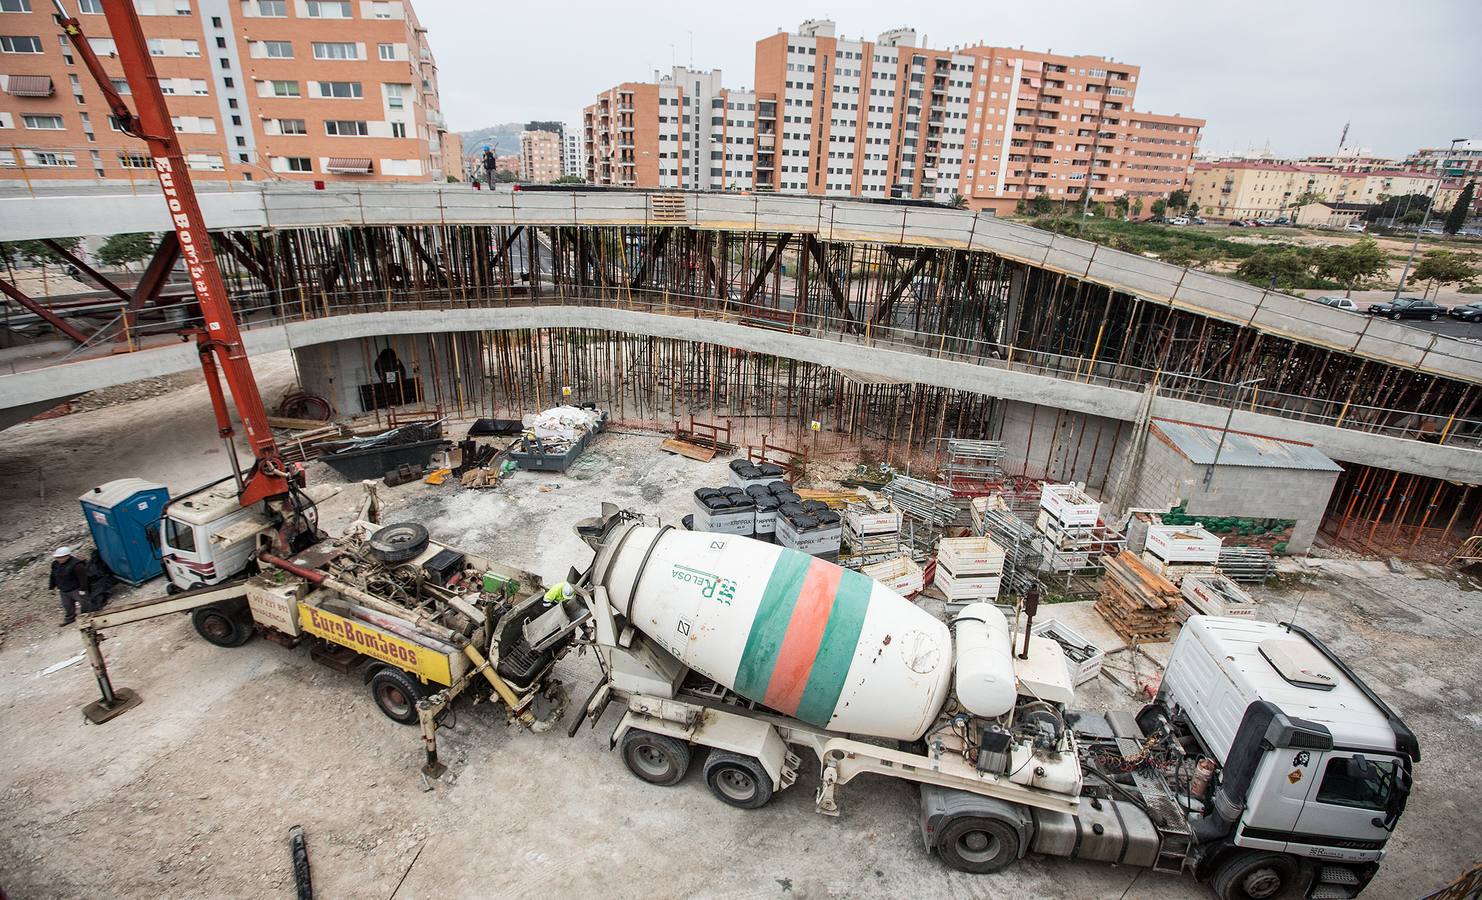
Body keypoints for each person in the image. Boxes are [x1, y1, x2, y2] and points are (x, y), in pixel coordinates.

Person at [48, 546, 90, 626]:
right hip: (64, 589)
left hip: (76, 589)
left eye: (61, 557)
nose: (59, 559)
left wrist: (83, 589)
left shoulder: (77, 565)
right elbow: (53, 575)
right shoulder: (55, 564)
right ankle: (70, 618)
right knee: (67, 605)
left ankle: (85, 617)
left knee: (84, 602)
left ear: (67, 556)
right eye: (57, 557)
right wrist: (51, 587)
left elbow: (83, 578)